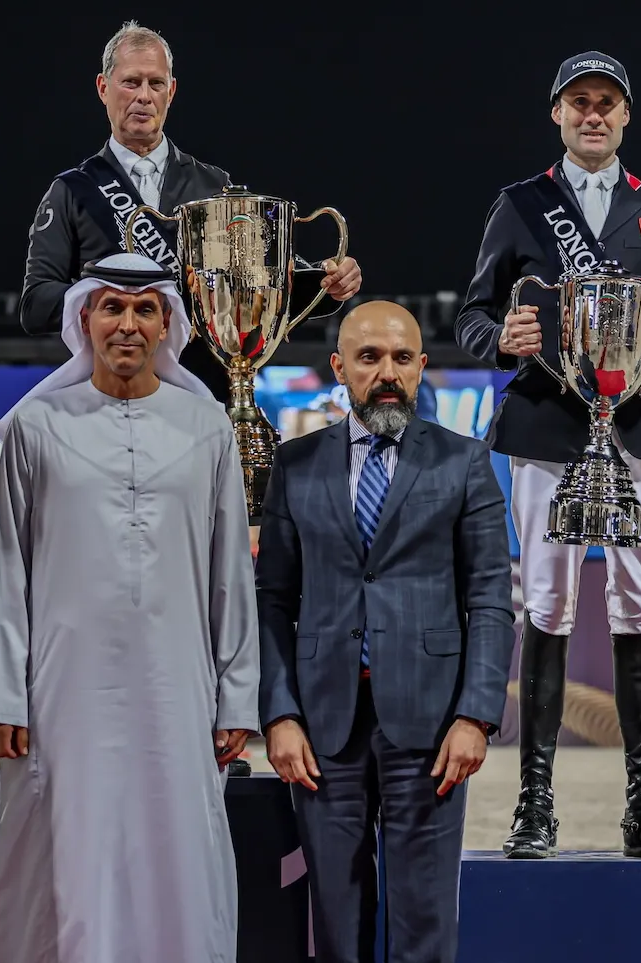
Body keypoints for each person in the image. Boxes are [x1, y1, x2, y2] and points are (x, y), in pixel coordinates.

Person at [455, 51, 641, 861]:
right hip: (547, 423)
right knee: (546, 604)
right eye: (579, 103)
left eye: (606, 103)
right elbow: (472, 313)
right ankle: (535, 805)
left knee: (638, 606)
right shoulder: (520, 205)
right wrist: (501, 337)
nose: (593, 114)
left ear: (625, 115)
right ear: (557, 114)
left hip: (640, 429)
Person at [0, 252, 260, 963]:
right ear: (82, 320)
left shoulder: (206, 426)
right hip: (60, 691)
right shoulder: (36, 426)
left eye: (143, 309)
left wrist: (237, 698)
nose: (127, 324)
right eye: (110, 307)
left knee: (176, 849)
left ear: (168, 323)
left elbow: (230, 571)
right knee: (65, 850)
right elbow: (9, 571)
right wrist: (4, 694)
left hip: (178, 688)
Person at [255, 300, 514, 963]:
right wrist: (279, 713)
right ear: (339, 367)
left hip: (430, 726)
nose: (387, 372)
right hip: (321, 729)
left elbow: (489, 596)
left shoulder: (464, 461)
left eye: (402, 357)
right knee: (336, 932)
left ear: (422, 366)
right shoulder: (296, 463)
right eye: (369, 357)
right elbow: (272, 598)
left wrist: (475, 716)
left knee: (423, 929)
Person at [17, 20, 364, 410]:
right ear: (103, 88)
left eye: (156, 83)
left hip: (201, 396)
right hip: (108, 396)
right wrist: (112, 296)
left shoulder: (213, 185)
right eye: (131, 82)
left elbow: (255, 282)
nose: (143, 96)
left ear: (172, 91)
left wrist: (327, 280)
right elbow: (35, 305)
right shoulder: (72, 190)